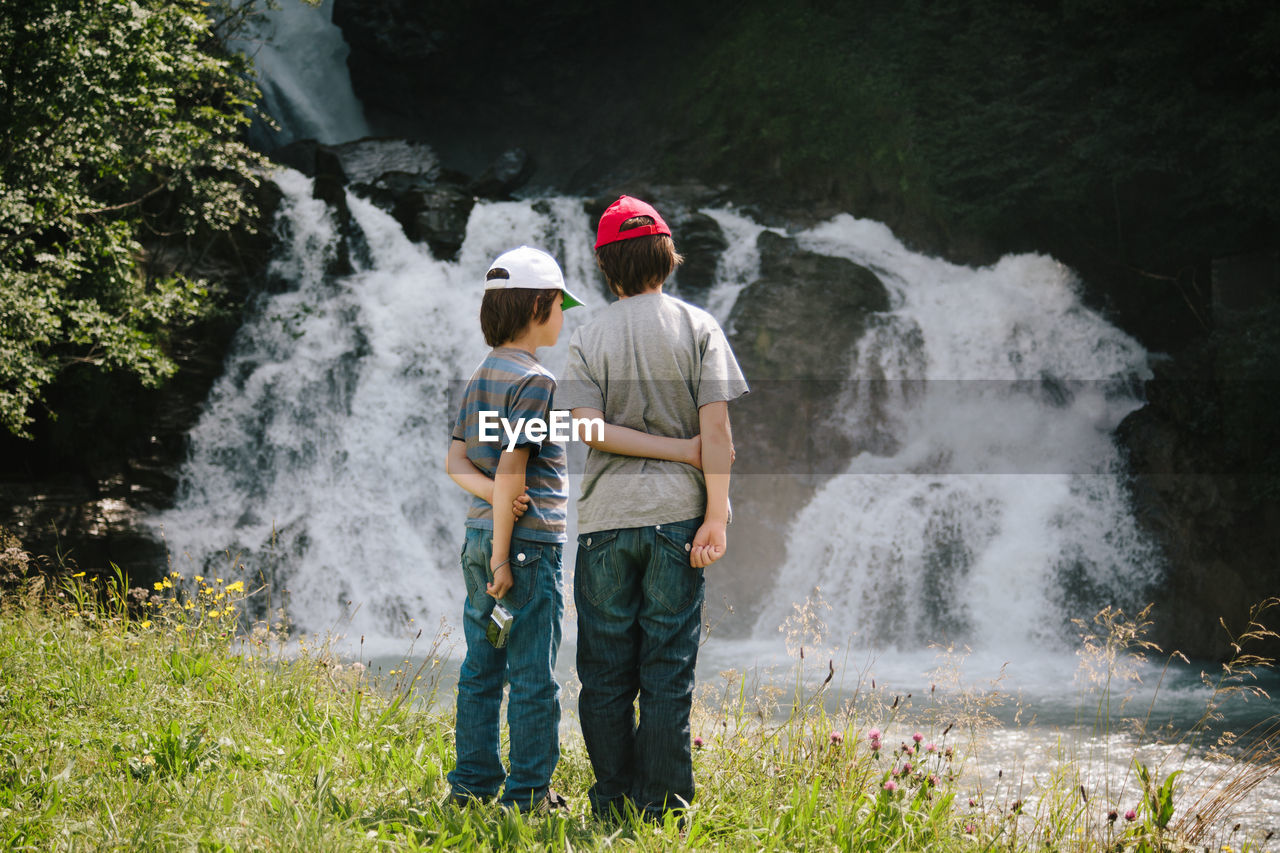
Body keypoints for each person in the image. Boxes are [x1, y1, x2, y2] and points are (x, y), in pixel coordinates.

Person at [443, 245, 701, 812]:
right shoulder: (535, 382)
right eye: (561, 305)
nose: (565, 316)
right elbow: (516, 464)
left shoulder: (482, 374)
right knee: (534, 672)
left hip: (479, 537)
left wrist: (493, 508)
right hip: (526, 549)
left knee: (482, 665)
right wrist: (505, 557)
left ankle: (471, 785)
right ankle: (529, 793)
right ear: (539, 305)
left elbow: (459, 463)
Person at [559, 196, 750, 822]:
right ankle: (664, 810)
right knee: (667, 672)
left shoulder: (588, 338)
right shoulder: (699, 327)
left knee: (606, 673)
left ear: (606, 269)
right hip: (678, 519)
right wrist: (716, 515)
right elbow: (716, 434)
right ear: (668, 259)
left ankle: (611, 802)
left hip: (606, 526)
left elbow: (586, 431)